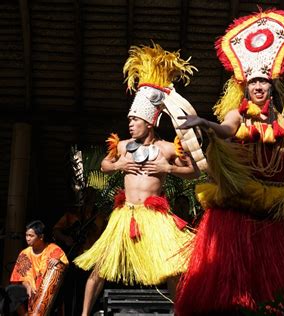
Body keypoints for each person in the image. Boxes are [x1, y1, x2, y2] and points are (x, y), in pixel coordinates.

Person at [175, 9, 284, 315]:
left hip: (274, 206)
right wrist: (204, 122)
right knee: (231, 280)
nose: (258, 87)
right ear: (246, 86)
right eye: (253, 82)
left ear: (271, 86)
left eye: (263, 83)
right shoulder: (237, 116)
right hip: (238, 204)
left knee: (274, 283)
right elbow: (227, 130)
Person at [73, 43, 204, 316]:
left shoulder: (168, 148)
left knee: (172, 267)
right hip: (125, 214)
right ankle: (85, 314)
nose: (130, 123)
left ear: (149, 122)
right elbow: (106, 164)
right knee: (102, 265)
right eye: (130, 119)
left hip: (156, 216)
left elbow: (194, 170)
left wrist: (169, 170)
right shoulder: (122, 146)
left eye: (135, 119)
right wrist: (120, 163)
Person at [53, 186, 107, 316]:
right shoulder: (72, 214)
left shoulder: (100, 216)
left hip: (92, 258)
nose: (88, 199)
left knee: (89, 289)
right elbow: (56, 230)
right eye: (86, 195)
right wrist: (66, 238)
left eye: (91, 196)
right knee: (70, 289)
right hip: (74, 255)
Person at [8, 220, 68, 315]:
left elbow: (64, 266)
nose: (27, 238)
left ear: (41, 237)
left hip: (49, 293)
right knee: (12, 290)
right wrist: (28, 286)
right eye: (27, 235)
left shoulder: (54, 249)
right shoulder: (24, 253)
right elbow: (19, 277)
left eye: (31, 236)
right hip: (31, 292)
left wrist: (59, 262)